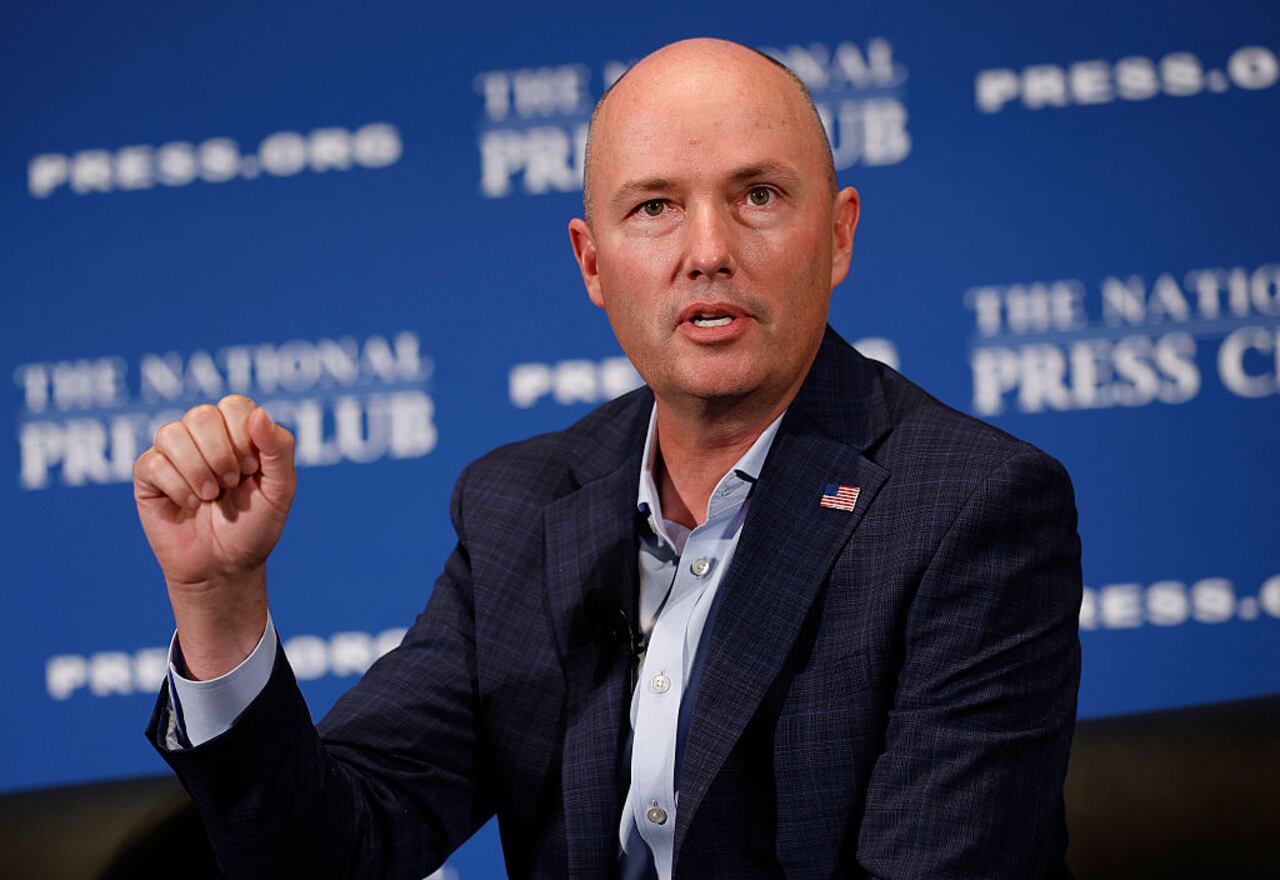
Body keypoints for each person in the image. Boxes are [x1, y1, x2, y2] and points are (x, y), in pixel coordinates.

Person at [135, 38, 1082, 879]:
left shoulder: (972, 509)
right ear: (592, 263)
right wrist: (221, 605)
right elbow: (335, 854)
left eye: (758, 195)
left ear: (836, 236)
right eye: (656, 207)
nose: (708, 251)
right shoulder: (520, 506)